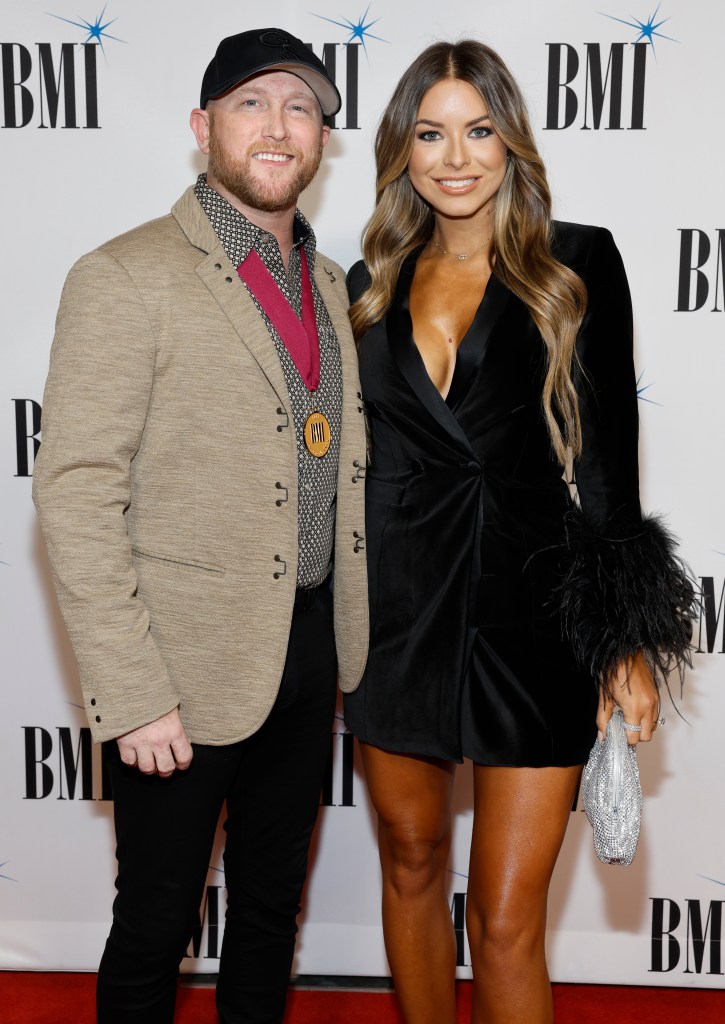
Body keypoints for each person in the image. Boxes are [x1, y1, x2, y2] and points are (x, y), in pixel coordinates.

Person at [344, 40, 695, 1024]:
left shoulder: (574, 263)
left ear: (510, 143)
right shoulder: (363, 285)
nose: (454, 156)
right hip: (397, 619)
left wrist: (621, 638)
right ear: (400, 150)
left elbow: (605, 466)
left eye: (477, 130)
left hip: (531, 622)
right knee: (411, 864)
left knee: (504, 917)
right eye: (429, 132)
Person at [32, 27, 368, 1024]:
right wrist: (133, 696)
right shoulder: (124, 274)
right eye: (251, 103)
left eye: (300, 108)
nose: (277, 127)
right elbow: (76, 489)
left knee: (270, 914)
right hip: (174, 670)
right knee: (154, 923)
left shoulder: (328, 284)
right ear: (202, 126)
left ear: (319, 141)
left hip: (308, 653)